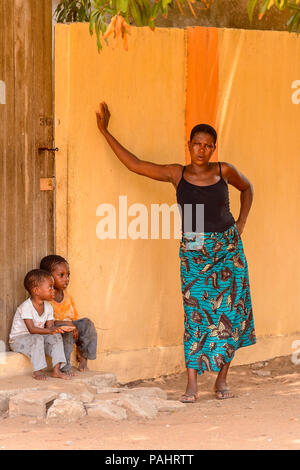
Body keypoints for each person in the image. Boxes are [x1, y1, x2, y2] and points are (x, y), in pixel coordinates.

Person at [96, 102, 256, 402]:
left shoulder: (224, 171)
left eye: (208, 146)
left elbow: (247, 188)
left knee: (231, 313)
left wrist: (242, 221)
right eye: (197, 144)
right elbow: (136, 164)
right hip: (194, 244)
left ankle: (222, 381)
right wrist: (105, 131)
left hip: (228, 246)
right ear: (189, 145)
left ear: (214, 149)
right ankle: (192, 384)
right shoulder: (177, 174)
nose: (202, 150)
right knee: (195, 315)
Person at [9, 269, 71, 381]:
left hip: (36, 338)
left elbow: (50, 328)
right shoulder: (26, 307)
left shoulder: (48, 307)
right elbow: (32, 330)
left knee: (56, 337)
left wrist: (59, 329)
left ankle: (56, 370)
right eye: (50, 287)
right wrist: (51, 330)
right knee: (37, 338)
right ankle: (37, 371)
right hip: (18, 340)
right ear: (36, 290)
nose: (53, 290)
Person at [40, 255, 98, 372]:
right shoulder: (45, 299)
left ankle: (83, 359)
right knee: (66, 329)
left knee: (87, 323)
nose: (66, 278)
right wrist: (68, 325)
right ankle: (64, 367)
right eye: (61, 275)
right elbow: (45, 324)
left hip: (71, 329)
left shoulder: (68, 297)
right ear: (48, 277)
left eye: (68, 275)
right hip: (55, 331)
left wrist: (73, 325)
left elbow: (74, 318)